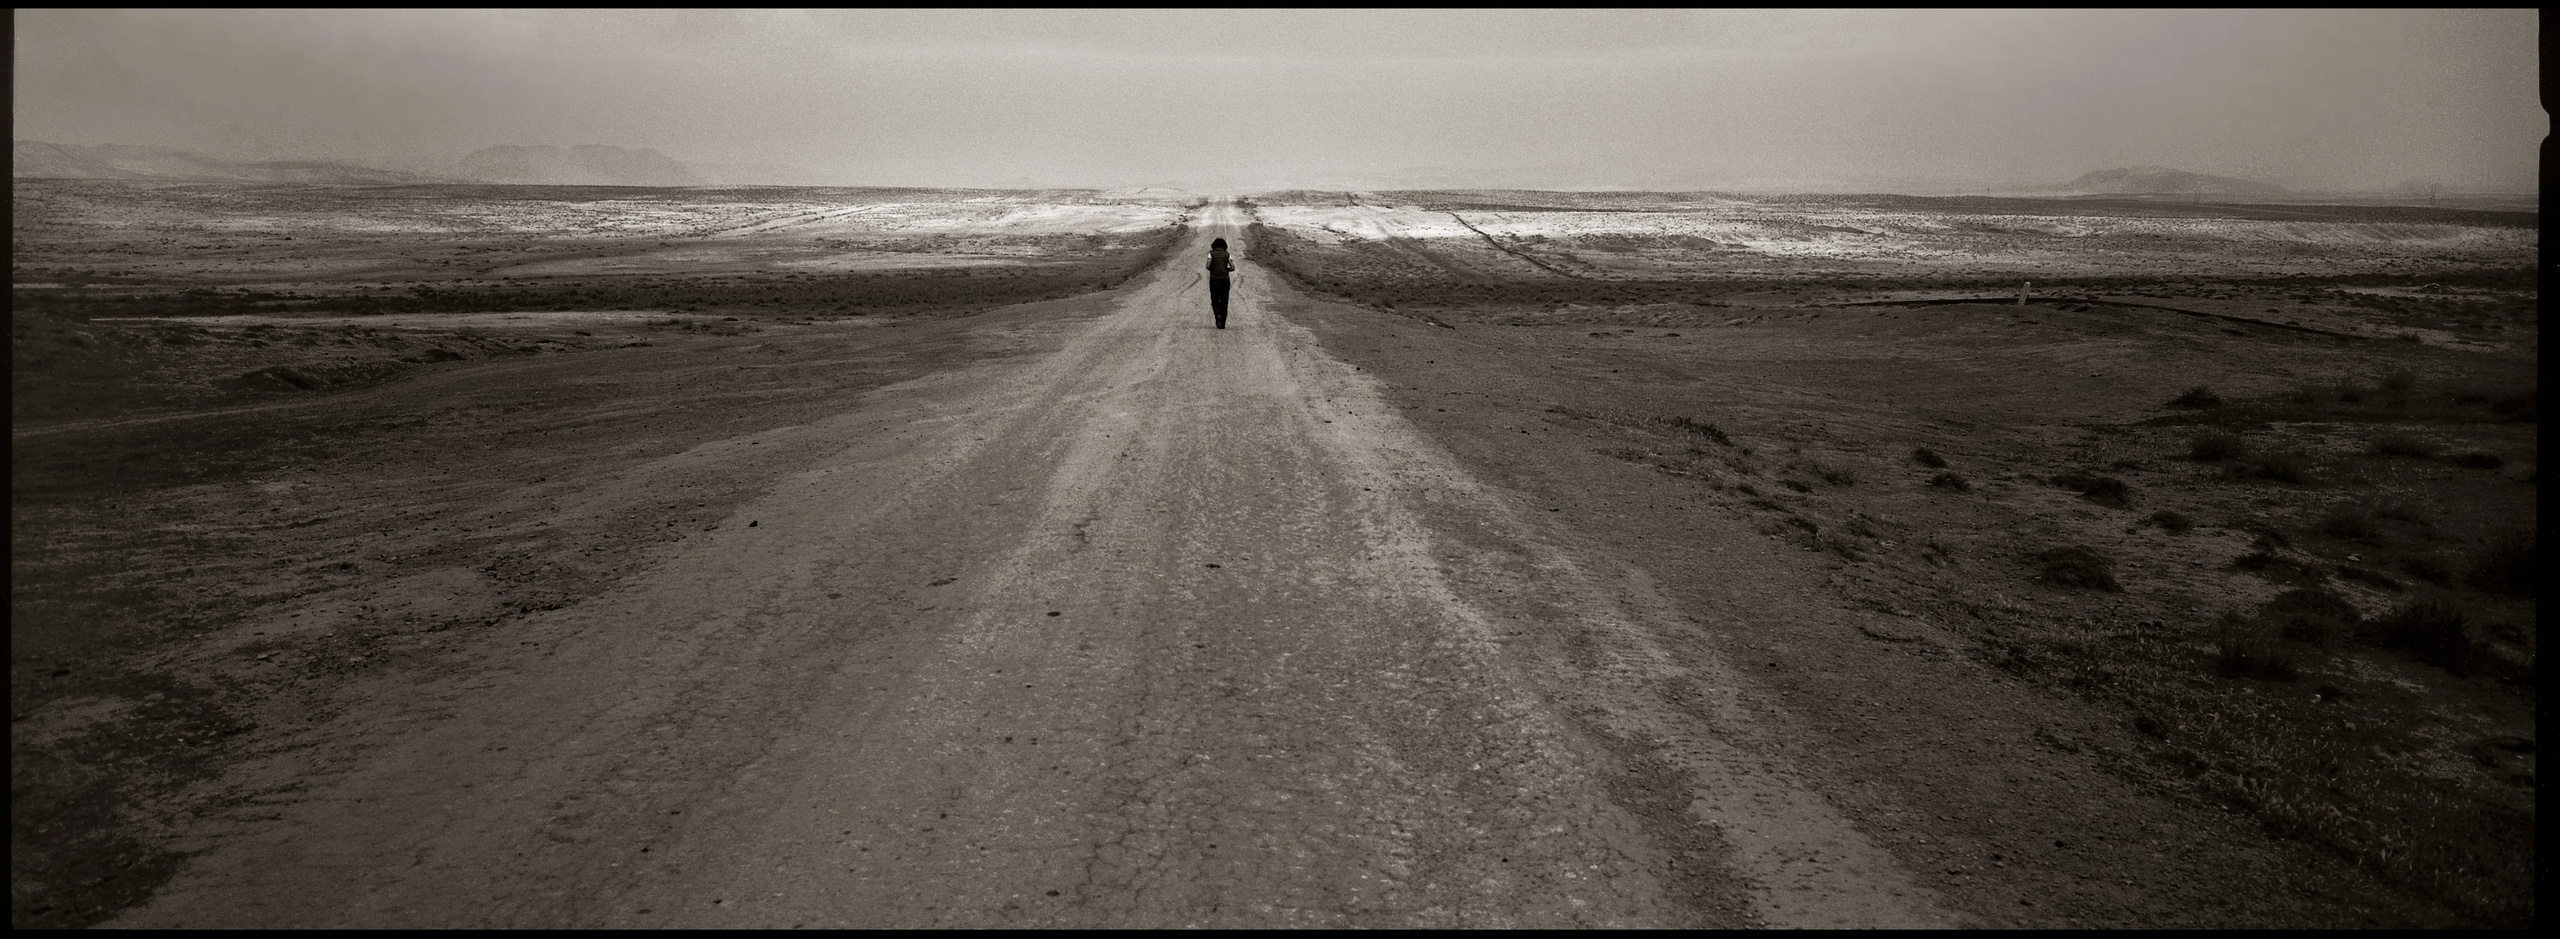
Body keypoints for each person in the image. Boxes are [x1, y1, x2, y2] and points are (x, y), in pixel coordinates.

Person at [1206, 237, 1235, 329]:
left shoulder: (1211, 254)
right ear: (1224, 246)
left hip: (1214, 279)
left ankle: (1217, 313)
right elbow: (1233, 267)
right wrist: (1226, 269)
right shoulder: (1227, 254)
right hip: (1225, 279)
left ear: (1214, 245)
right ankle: (1222, 323)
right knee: (1224, 300)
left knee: (1214, 299)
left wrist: (1213, 269)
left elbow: (1207, 266)